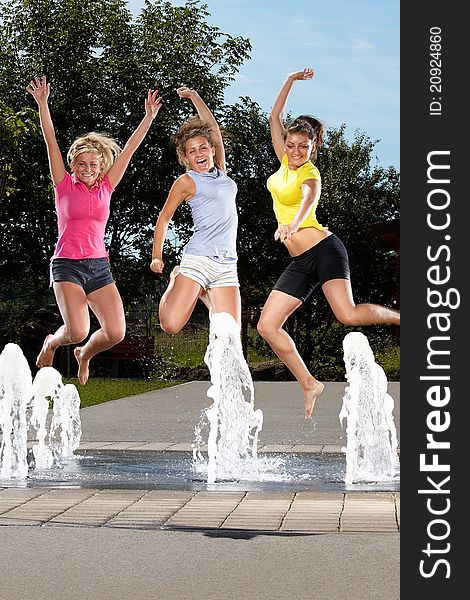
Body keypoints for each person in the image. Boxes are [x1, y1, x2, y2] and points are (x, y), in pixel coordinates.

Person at [257, 67, 400, 420]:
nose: (294, 151)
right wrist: (289, 80)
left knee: (347, 314)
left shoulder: (310, 173)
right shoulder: (284, 162)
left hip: (324, 250)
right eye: (290, 145)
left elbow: (309, 198)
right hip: (300, 261)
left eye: (302, 147)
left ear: (312, 147)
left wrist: (291, 222)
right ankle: (309, 383)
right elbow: (274, 116)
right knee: (267, 325)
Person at [27, 75, 162, 384]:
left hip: (99, 266)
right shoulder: (63, 185)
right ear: (73, 165)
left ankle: (84, 354)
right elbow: (50, 140)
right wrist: (43, 104)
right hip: (67, 266)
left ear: (101, 167)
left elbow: (128, 150)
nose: (88, 168)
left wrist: (148, 118)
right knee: (76, 330)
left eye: (94, 164)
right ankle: (52, 343)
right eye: (82, 163)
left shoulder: (106, 187)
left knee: (116, 332)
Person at [150, 86, 240, 333]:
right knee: (170, 325)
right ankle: (175, 281)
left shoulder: (221, 171)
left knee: (231, 333)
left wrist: (195, 97)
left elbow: (213, 129)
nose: (199, 153)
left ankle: (205, 293)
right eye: (192, 151)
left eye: (203, 148)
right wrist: (157, 254)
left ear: (212, 151)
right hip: (198, 257)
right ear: (187, 159)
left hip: (227, 262)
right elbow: (164, 218)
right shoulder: (187, 181)